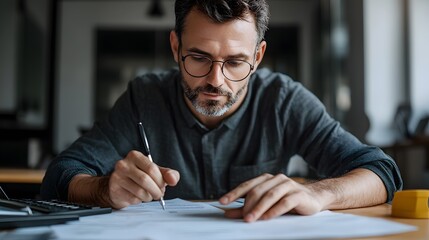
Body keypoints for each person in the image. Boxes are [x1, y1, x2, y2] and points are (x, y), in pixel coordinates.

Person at [41, 0, 402, 222]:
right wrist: (105, 188)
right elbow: (60, 175)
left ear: (258, 56)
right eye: (198, 57)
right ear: (175, 46)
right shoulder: (144, 97)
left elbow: (381, 172)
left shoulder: (284, 100)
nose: (216, 80)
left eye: (235, 62)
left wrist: (318, 194)